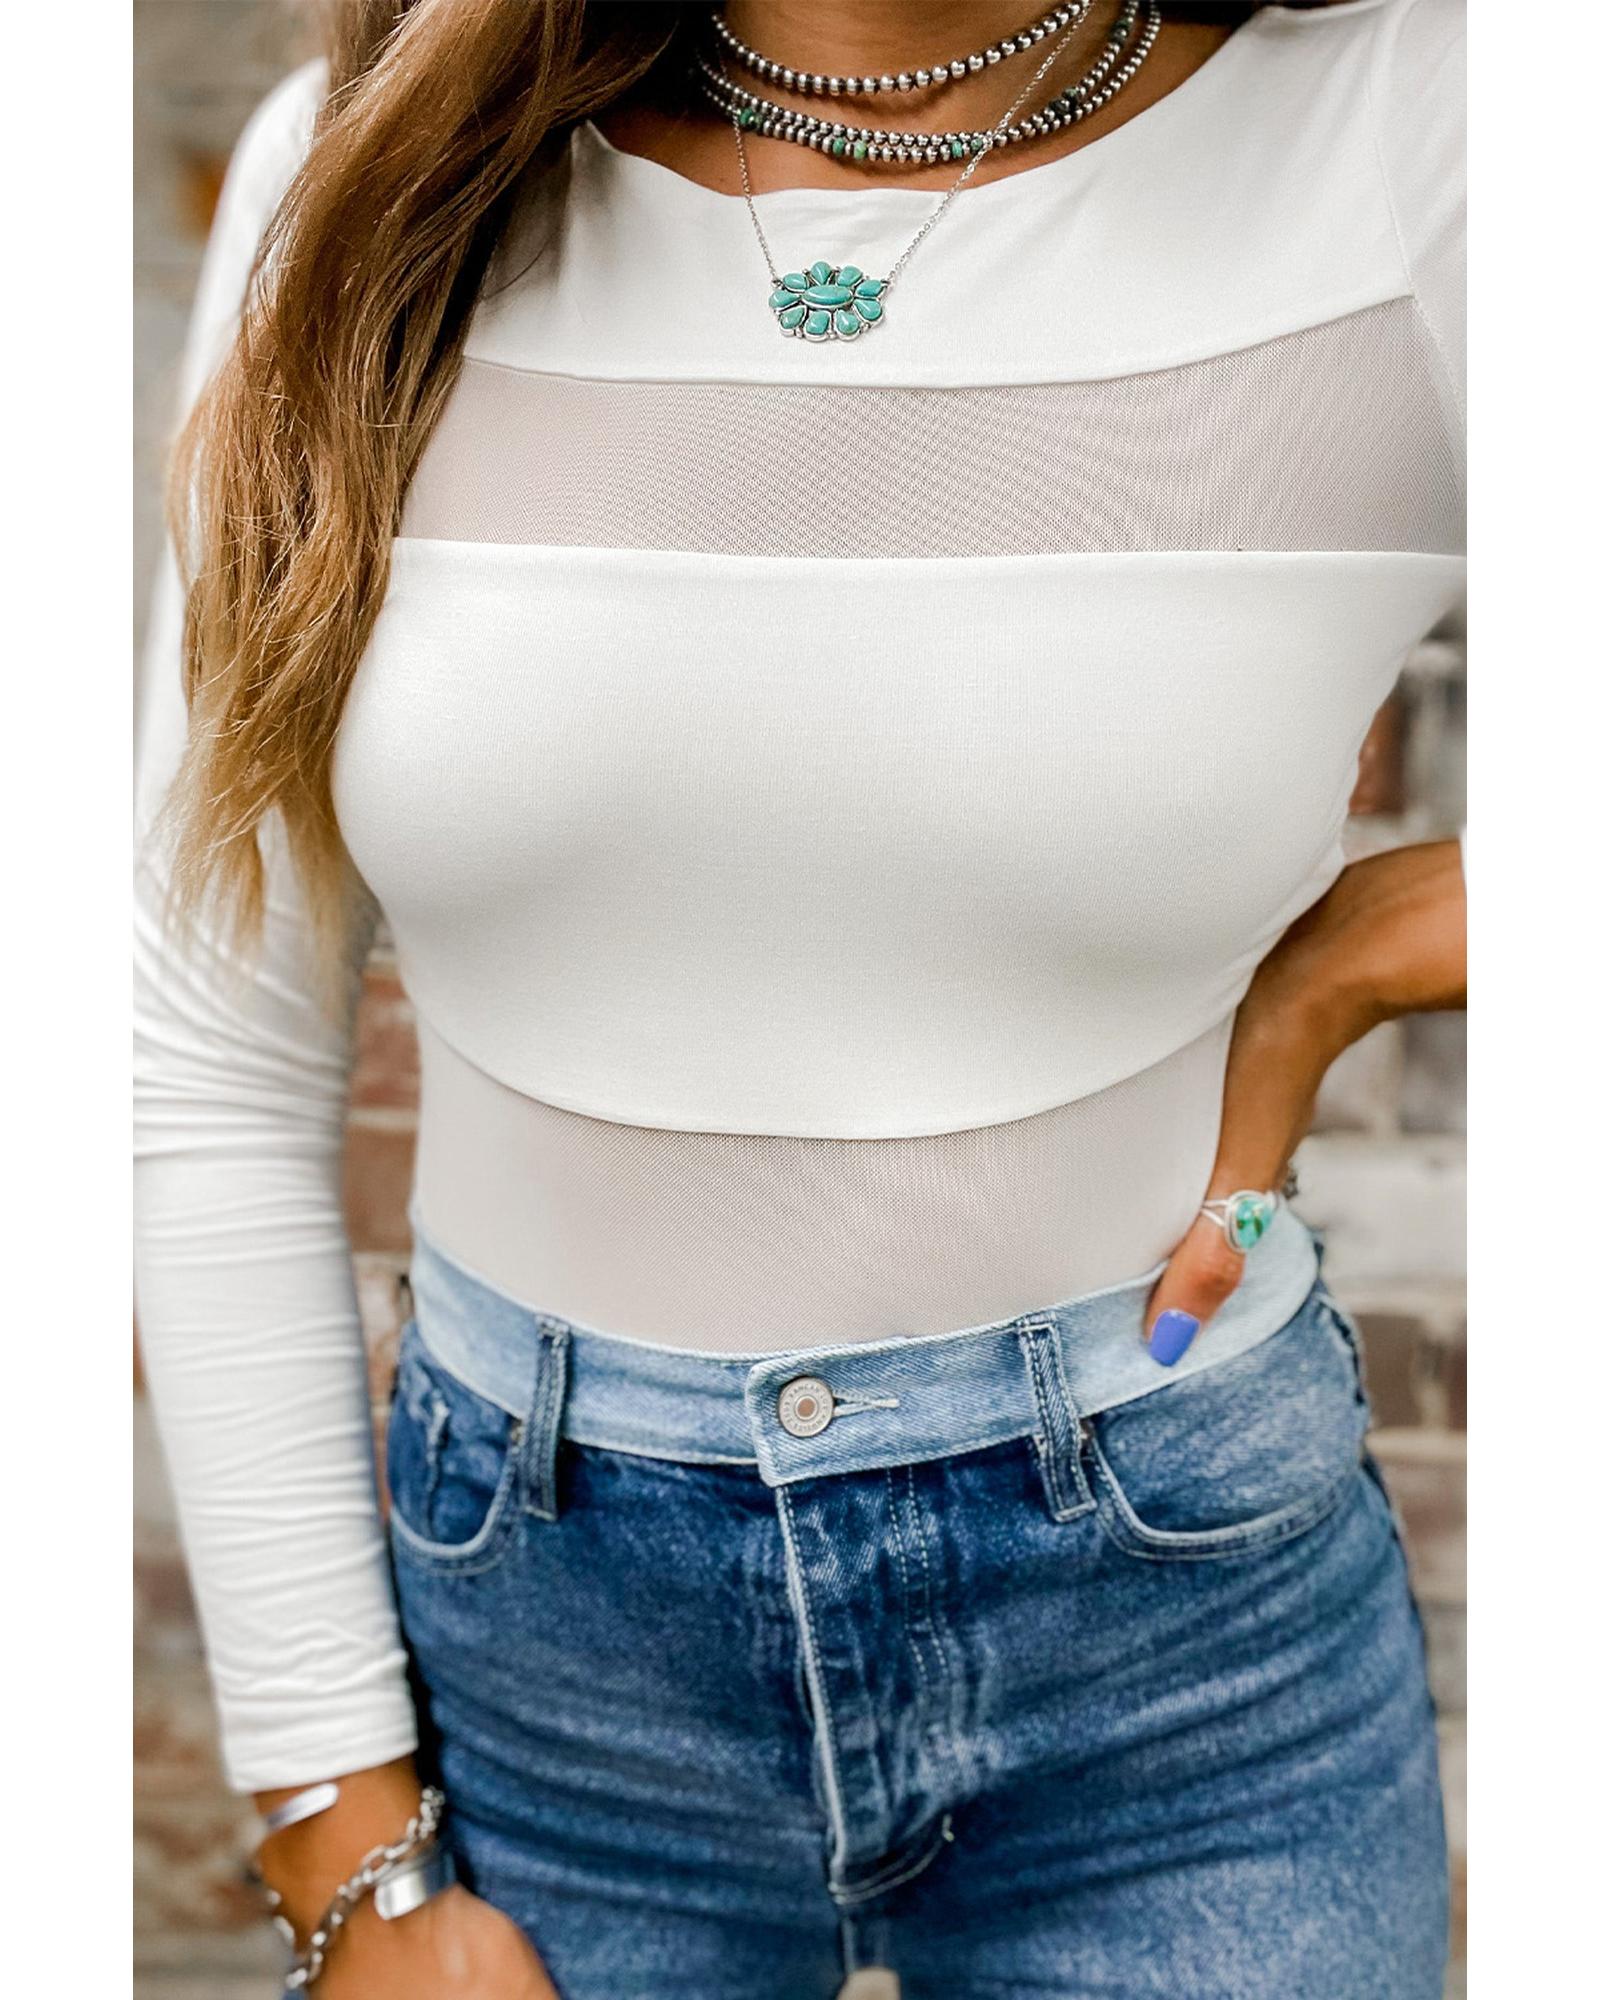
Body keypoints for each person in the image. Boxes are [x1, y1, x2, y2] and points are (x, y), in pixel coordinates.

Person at [132, 3, 1466, 1994]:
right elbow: (204, 1061)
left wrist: (1340, 973)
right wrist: (338, 1837)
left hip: (1184, 1675)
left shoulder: (1427, 144)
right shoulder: (370, 171)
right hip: (544, 1679)